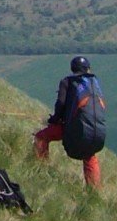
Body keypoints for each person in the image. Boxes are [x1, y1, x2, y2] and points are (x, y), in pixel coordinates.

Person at [33, 55, 105, 189]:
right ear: (88, 69)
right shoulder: (94, 83)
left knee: (40, 137)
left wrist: (53, 120)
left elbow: (61, 103)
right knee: (89, 154)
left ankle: (40, 169)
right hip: (95, 130)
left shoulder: (68, 82)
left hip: (72, 128)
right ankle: (94, 190)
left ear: (72, 68)